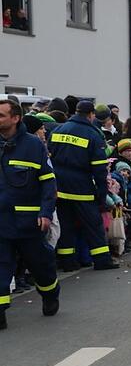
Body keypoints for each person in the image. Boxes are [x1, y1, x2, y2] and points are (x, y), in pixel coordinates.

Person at [0, 99, 60, 331]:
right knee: (1, 266)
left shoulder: (33, 145)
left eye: (2, 115)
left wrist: (46, 212)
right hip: (1, 223)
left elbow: (48, 182)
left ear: (15, 118)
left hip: (29, 222)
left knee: (41, 265)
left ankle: (50, 294)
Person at [48, 100, 118, 271]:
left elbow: (49, 155)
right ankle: (102, 260)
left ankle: (68, 262)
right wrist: (102, 194)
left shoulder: (59, 129)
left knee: (66, 226)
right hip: (82, 188)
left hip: (60, 186)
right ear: (90, 115)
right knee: (93, 225)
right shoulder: (93, 134)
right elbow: (99, 169)